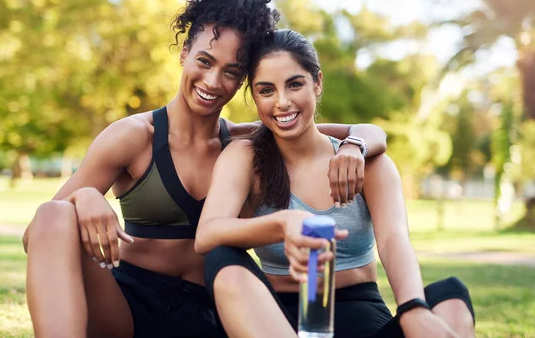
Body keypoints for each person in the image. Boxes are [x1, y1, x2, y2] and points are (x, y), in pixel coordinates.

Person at [22, 0, 388, 338]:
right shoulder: (133, 137)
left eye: (231, 72)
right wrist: (82, 197)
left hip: (213, 315)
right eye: (204, 61)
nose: (213, 81)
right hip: (128, 308)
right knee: (54, 213)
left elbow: (361, 130)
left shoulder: (246, 142)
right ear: (184, 55)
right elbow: (38, 235)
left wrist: (356, 146)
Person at [196, 29, 476, 338]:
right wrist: (284, 223)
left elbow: (394, 239)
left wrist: (413, 307)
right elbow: (207, 234)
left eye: (295, 84)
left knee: (450, 294)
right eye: (266, 90)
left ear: (317, 83)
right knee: (222, 260)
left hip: (362, 315)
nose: (283, 102)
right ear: (255, 97)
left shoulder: (366, 161)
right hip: (274, 320)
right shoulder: (246, 157)